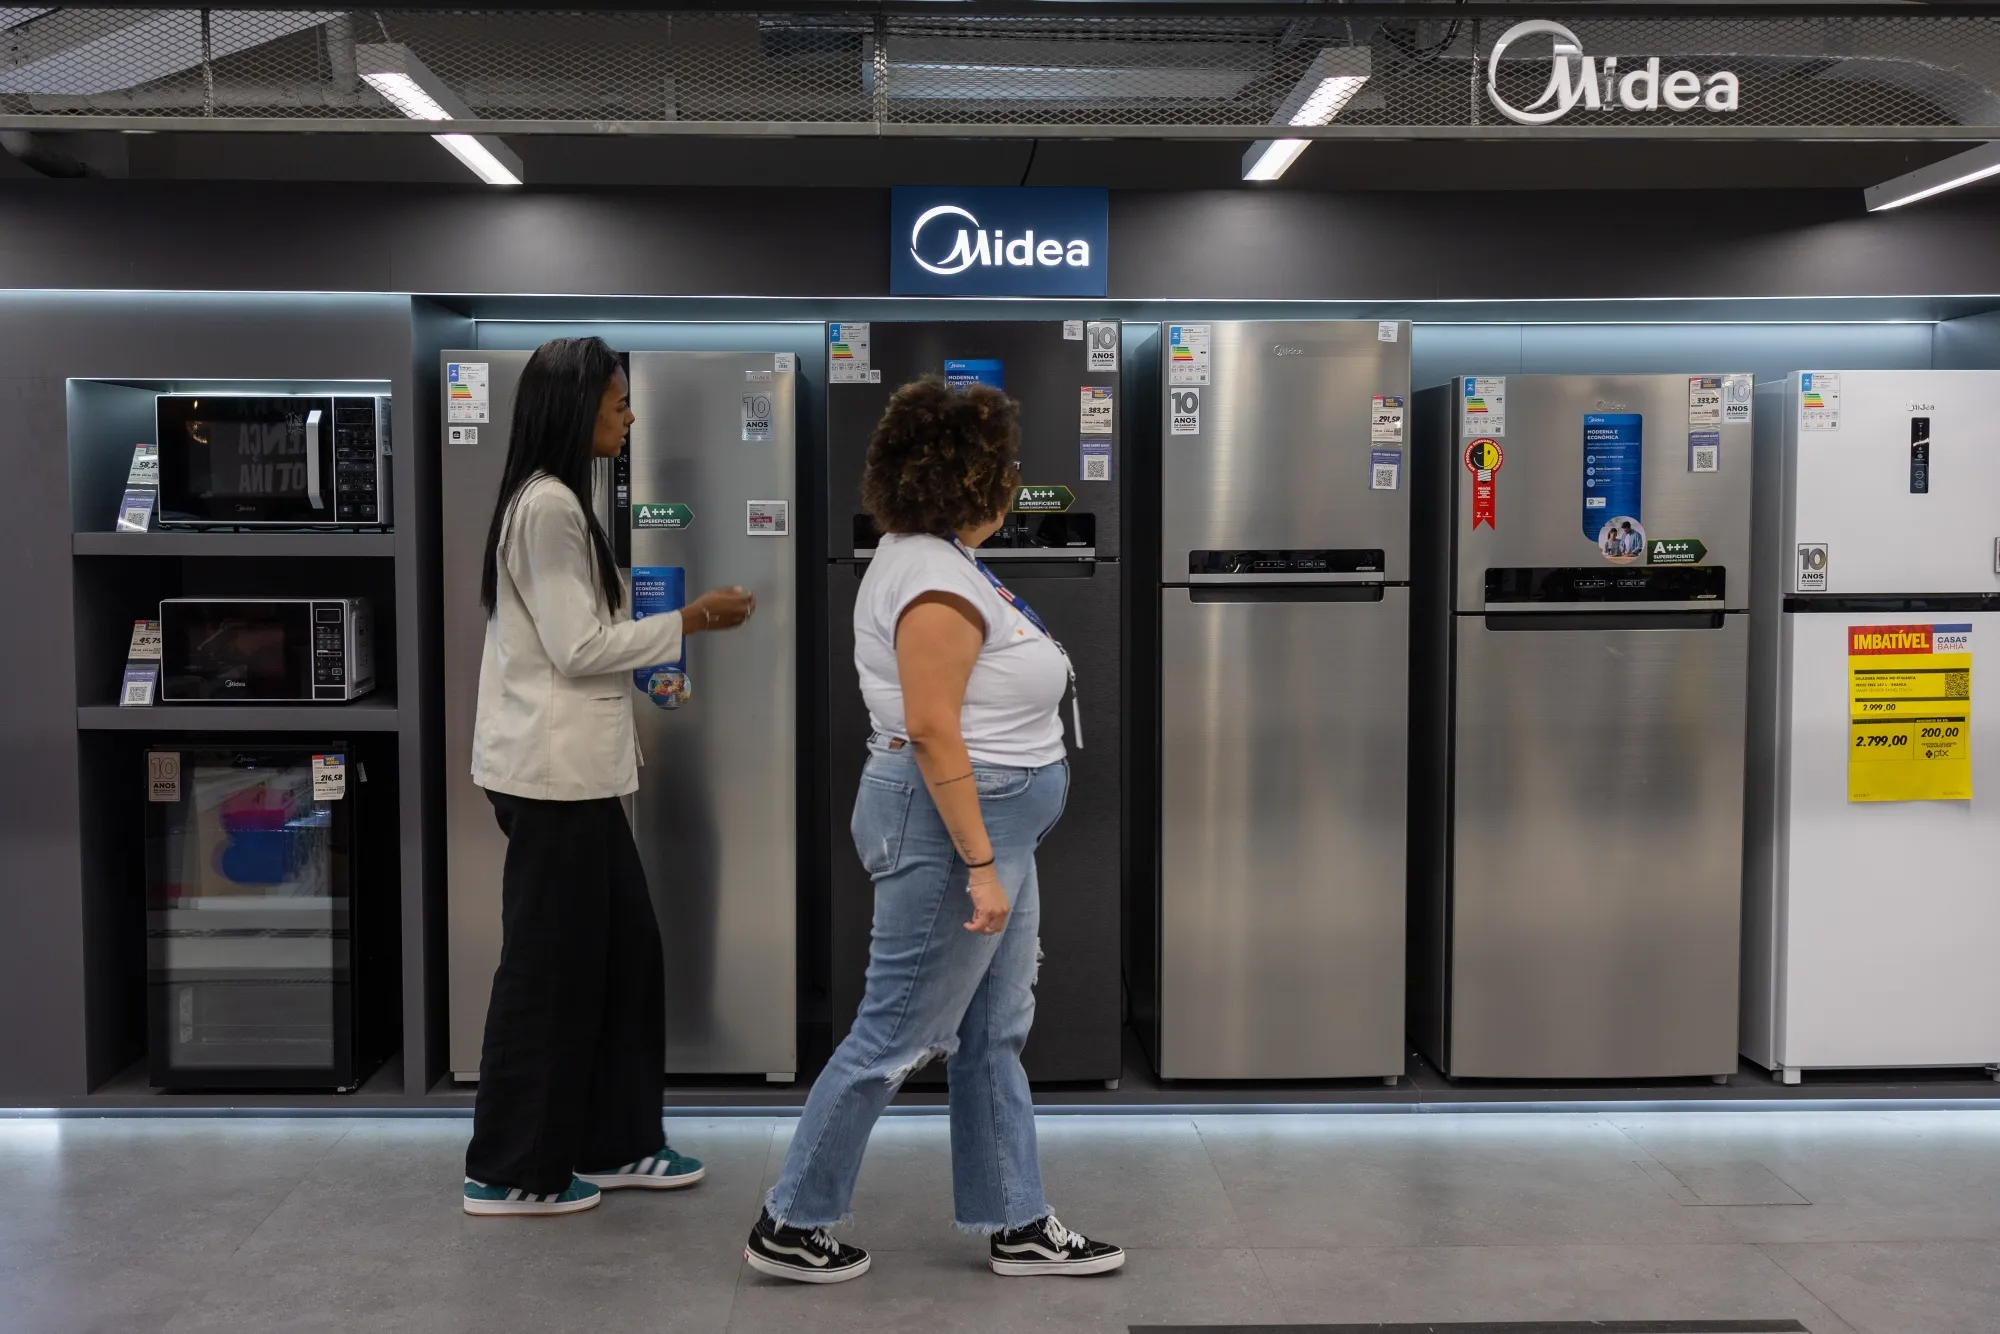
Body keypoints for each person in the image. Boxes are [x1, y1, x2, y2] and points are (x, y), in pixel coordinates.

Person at [742, 376, 1124, 1283]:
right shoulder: (929, 579)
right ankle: (790, 1222)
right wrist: (981, 864)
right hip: (956, 829)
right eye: (1005, 466)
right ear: (972, 477)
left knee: (993, 1028)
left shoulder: (935, 558)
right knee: (896, 1032)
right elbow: (931, 726)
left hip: (990, 828)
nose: (1014, 480)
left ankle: (1016, 1218)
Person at [462, 336, 756, 1217]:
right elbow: (578, 647)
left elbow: (582, 636)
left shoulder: (561, 500)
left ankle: (616, 1142)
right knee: (549, 973)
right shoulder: (548, 507)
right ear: (576, 406)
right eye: (618, 403)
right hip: (551, 780)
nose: (630, 417)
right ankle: (511, 1170)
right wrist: (690, 622)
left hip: (578, 780)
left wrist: (662, 649)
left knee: (625, 960)